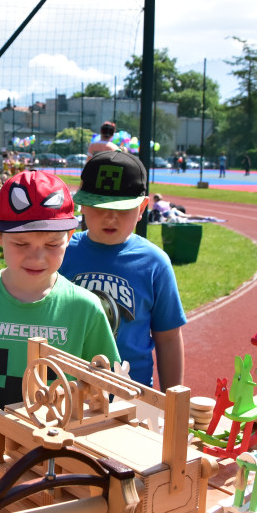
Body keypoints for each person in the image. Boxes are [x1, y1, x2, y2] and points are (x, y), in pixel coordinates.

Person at [0, 171, 119, 469]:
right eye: (21, 244)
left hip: (57, 467)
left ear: (70, 237)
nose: (37, 259)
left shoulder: (85, 308)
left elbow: (104, 393)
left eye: (52, 245)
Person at [58, 151, 185, 390]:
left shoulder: (155, 263)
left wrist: (173, 401)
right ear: (82, 203)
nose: (110, 217)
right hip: (67, 392)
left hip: (131, 395)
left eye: (122, 208)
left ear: (142, 208)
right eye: (99, 205)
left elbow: (167, 338)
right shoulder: (61, 252)